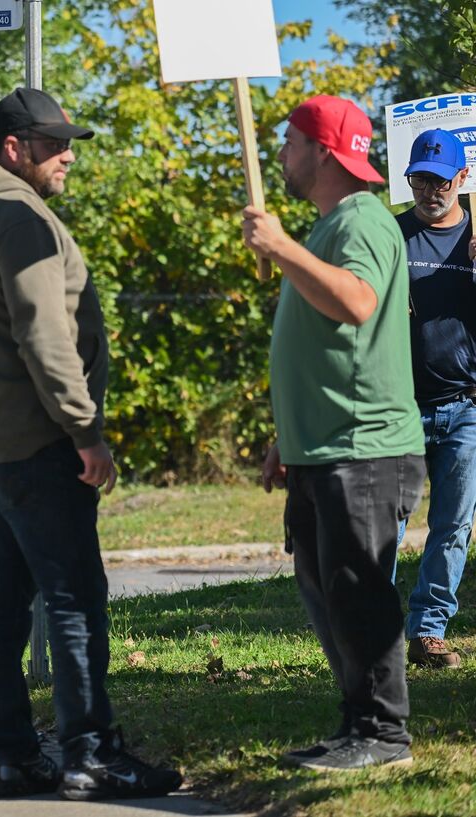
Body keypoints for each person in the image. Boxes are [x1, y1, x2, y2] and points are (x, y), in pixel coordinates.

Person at [0, 87, 182, 800]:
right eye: (54, 143)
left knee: (4, 604)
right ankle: (92, 752)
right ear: (14, 149)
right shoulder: (17, 216)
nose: (68, 154)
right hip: (40, 442)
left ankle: (15, 754)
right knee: (74, 596)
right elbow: (44, 337)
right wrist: (86, 429)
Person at [244, 95, 426, 771]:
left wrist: (281, 247)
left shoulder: (363, 221)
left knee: (359, 593)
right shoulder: (327, 226)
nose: (281, 156)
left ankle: (384, 734)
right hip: (321, 445)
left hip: (364, 446)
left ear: (323, 151)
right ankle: (358, 725)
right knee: (331, 595)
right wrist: (284, 437)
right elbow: (320, 345)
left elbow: (354, 303)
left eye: (290, 143)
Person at [396, 128, 476, 670]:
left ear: (462, 178)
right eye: (419, 180)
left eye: (440, 181)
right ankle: (372, 631)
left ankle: (428, 630)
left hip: (466, 406)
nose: (429, 191)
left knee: (452, 525)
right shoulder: (390, 234)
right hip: (398, 407)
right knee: (385, 523)